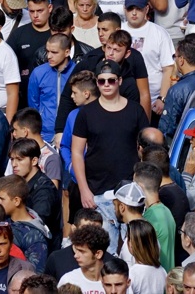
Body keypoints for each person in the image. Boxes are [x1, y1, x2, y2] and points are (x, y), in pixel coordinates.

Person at [71, 60, 149, 254]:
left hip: (130, 193)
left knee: (133, 252)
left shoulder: (135, 110)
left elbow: (146, 151)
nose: (106, 84)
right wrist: (84, 190)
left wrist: (144, 188)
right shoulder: (86, 113)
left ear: (119, 81)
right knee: (104, 253)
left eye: (111, 80)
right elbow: (76, 152)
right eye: (102, 81)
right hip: (97, 193)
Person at [56, 226, 112, 294]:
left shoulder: (116, 282)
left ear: (98, 254)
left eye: (82, 251)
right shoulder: (68, 280)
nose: (76, 255)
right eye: (76, 250)